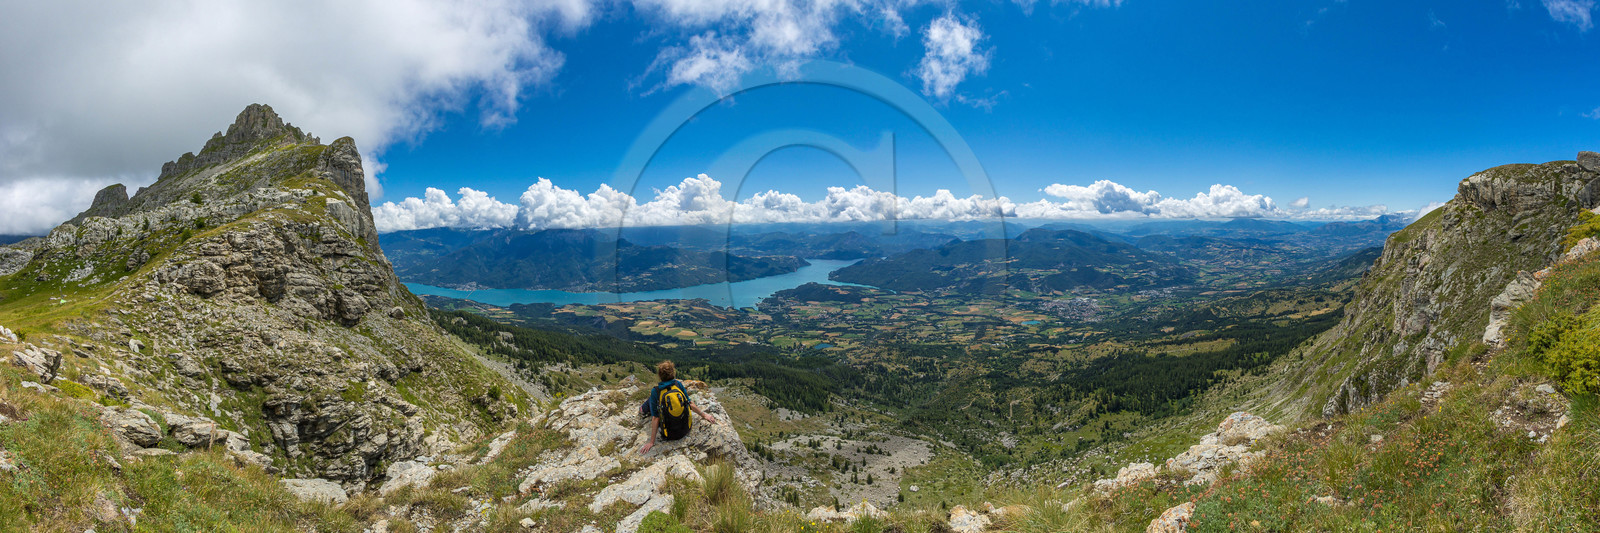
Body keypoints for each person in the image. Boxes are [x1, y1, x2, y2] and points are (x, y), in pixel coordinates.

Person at [639, 360, 717, 454]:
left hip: (668, 434)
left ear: (660, 375)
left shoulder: (656, 391)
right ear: (673, 373)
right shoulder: (678, 384)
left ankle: (642, 410)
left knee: (652, 399)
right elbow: (690, 403)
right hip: (685, 428)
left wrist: (651, 442)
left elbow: (655, 418)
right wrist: (704, 415)